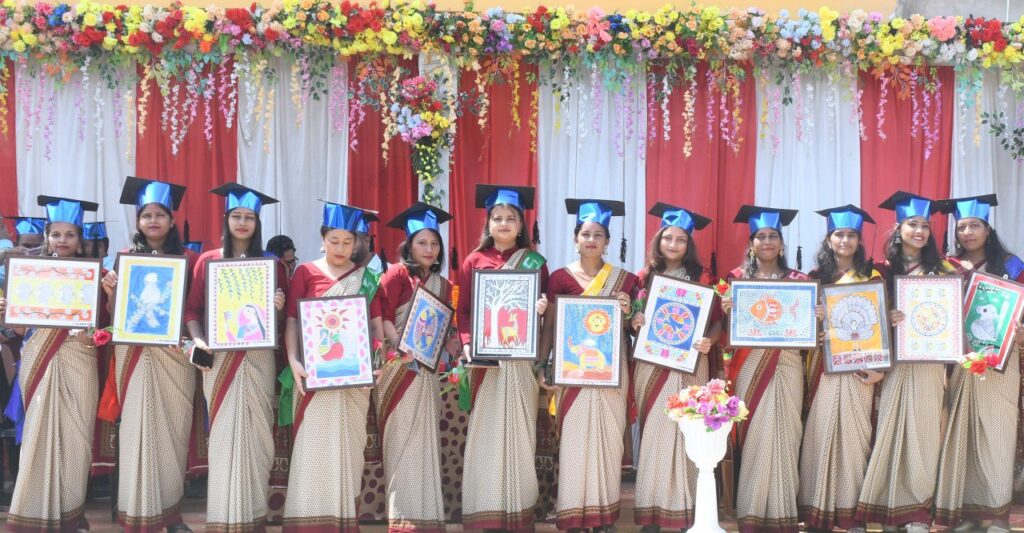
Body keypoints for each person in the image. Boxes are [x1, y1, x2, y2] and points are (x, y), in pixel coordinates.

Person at [184, 183, 287, 532]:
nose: (242, 223)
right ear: (226, 220)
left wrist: (277, 307)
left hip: (258, 360)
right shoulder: (208, 261)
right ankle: (224, 519)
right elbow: (192, 310)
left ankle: (252, 518)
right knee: (225, 439)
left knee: (257, 438)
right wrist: (199, 340)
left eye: (249, 217)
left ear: (258, 223)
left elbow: (284, 320)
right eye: (236, 216)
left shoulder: (272, 264)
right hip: (219, 361)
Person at [96, 177, 195, 532]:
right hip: (134, 353)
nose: (153, 221)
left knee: (173, 432)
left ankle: (171, 514)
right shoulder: (125, 259)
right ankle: (138, 515)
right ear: (138, 220)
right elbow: (116, 315)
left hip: (174, 356)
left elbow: (193, 310)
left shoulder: (189, 260)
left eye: (160, 215)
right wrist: (111, 293)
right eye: (147, 215)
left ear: (171, 220)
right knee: (137, 432)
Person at [3, 196, 106, 532]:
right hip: (39, 359)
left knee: (76, 438)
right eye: (56, 234)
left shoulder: (98, 275)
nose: (62, 240)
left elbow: (106, 325)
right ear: (47, 237)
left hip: (80, 358)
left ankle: (72, 516)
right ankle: (32, 514)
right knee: (38, 436)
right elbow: (21, 330)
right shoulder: (30, 274)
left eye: (70, 234)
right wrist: (9, 309)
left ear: (80, 239)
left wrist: (110, 294)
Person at [537, 198, 640, 532]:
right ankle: (573, 515)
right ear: (575, 239)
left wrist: (628, 312)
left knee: (608, 443)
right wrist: (542, 364)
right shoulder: (559, 278)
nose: (591, 240)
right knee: (575, 443)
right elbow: (550, 326)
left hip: (612, 372)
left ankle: (604, 517)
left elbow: (631, 330)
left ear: (607, 241)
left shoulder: (626, 281)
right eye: (585, 234)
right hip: (573, 372)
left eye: (598, 235)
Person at [855, 192, 954, 533]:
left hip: (929, 361)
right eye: (913, 224)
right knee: (890, 430)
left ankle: (917, 514)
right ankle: (889, 509)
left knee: (924, 432)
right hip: (894, 361)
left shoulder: (945, 271)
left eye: (925, 225)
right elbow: (866, 316)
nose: (920, 231)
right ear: (898, 229)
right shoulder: (879, 271)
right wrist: (886, 316)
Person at [282, 201, 384, 531]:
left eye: (347, 242)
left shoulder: (367, 278)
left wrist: (376, 363)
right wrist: (293, 360)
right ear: (323, 239)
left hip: (355, 381)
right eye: (334, 241)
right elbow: (292, 320)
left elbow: (375, 327)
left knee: (347, 451)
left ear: (357, 243)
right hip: (314, 377)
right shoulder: (305, 272)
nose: (340, 248)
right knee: (313, 450)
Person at [458, 184, 549, 532]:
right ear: (488, 223)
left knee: (520, 434)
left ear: (521, 224)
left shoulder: (535, 263)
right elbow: (464, 312)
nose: (504, 223)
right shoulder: (473, 261)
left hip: (521, 362)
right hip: (487, 362)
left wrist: (540, 309)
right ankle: (487, 510)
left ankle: (518, 512)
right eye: (497, 218)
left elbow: (542, 315)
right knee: (487, 433)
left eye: (511, 218)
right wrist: (468, 343)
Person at [933, 194, 1023, 533]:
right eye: (962, 227)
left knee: (997, 435)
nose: (968, 232)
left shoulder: (1011, 265)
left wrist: (1021, 334)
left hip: (1001, 362)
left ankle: (997, 516)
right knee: (962, 436)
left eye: (974, 225)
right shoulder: (947, 267)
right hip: (960, 361)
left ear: (987, 229)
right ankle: (966, 513)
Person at [631, 202, 720, 532]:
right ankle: (652, 514)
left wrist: (709, 340)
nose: (673, 244)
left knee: (687, 436)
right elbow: (633, 320)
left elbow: (717, 322)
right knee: (655, 435)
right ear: (658, 240)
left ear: (689, 244)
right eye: (668, 238)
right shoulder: (643, 278)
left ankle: (685, 512)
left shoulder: (703, 278)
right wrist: (635, 321)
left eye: (681, 239)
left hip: (689, 366)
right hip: (651, 367)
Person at [721, 205, 809, 533]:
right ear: (751, 243)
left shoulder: (799, 281)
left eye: (773, 236)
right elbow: (723, 332)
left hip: (787, 365)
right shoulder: (735, 279)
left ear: (782, 244)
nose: (767, 241)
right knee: (756, 436)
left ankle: (783, 513)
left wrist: (814, 315)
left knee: (786, 435)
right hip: (749, 365)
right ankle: (752, 512)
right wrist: (728, 311)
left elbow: (808, 333)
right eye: (761, 236)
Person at [798, 205, 883, 533]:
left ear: (859, 241)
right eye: (839, 234)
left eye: (851, 235)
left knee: (854, 440)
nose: (845, 240)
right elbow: (797, 330)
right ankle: (818, 513)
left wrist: (881, 369)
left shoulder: (872, 278)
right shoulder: (813, 279)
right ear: (829, 239)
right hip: (822, 366)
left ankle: (851, 516)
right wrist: (814, 329)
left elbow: (880, 329)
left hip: (859, 367)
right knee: (820, 434)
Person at [377, 202, 457, 532]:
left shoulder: (442, 284)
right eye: (422, 242)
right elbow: (382, 315)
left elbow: (445, 329)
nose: (429, 249)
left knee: (424, 443)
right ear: (409, 245)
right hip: (399, 368)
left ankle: (426, 519)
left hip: (427, 372)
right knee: (402, 444)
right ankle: (402, 521)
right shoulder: (397, 274)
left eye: (434, 243)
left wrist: (453, 347)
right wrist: (400, 345)